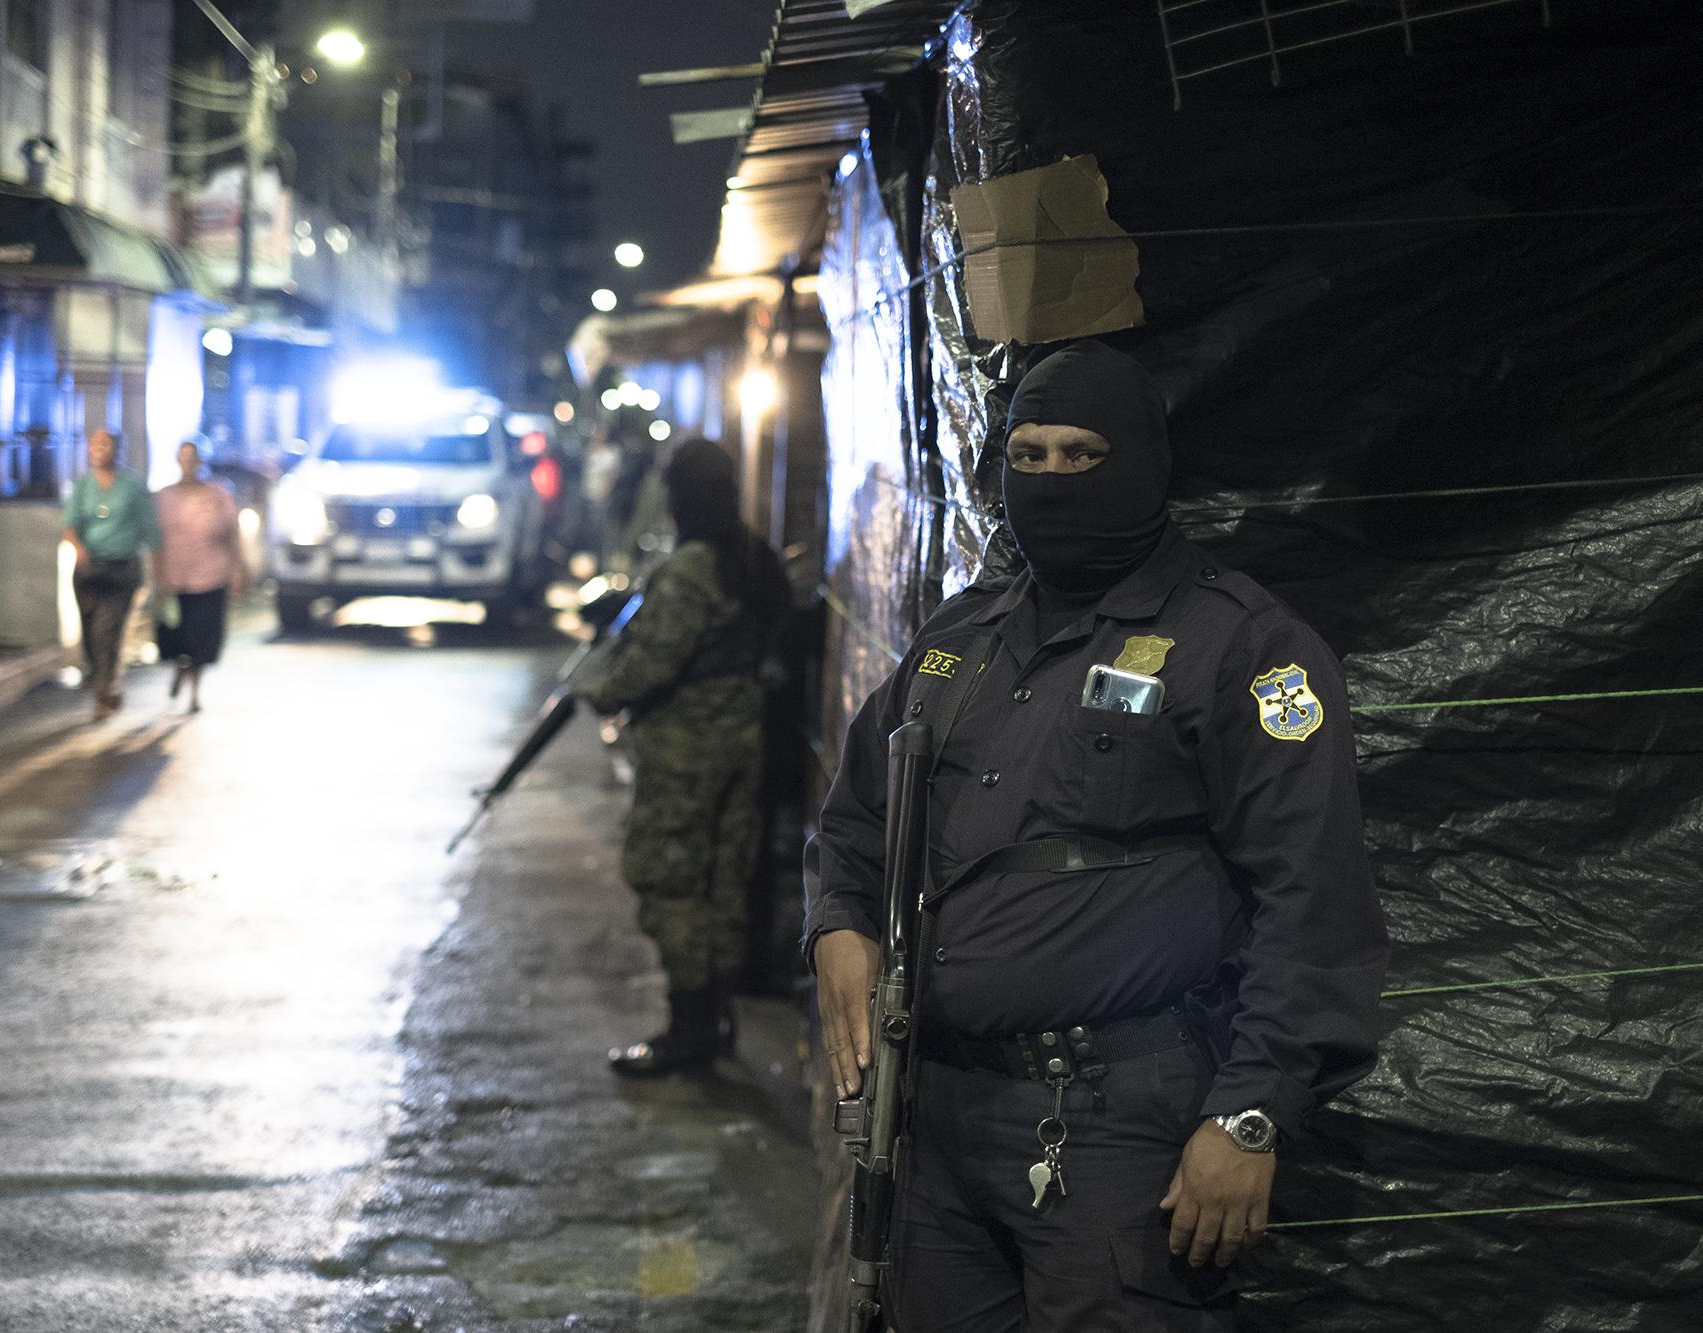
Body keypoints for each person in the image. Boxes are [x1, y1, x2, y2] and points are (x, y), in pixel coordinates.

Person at [804, 342, 1389, 1329]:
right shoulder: (959, 642)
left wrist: (1246, 1114)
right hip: (935, 1116)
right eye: (1024, 454)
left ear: (1144, 465)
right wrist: (836, 923)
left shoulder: (1239, 647)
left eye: (1079, 453)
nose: (1049, 477)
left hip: (1117, 1126)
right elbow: (858, 818)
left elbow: (1311, 896)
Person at [578, 437, 791, 1076]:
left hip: (686, 748)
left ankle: (687, 1029)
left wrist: (602, 692)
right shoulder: (752, 557)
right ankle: (715, 1018)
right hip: (743, 739)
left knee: (670, 876)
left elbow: (653, 660)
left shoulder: (690, 567)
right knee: (723, 878)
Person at [62, 430, 158, 721]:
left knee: (108, 630)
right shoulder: (82, 486)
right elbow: (69, 524)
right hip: (89, 570)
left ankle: (105, 690)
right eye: (95, 444)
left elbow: (149, 529)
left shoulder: (132, 486)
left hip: (121, 569)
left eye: (106, 444)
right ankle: (102, 678)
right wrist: (78, 548)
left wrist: (161, 570)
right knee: (91, 632)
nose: (100, 449)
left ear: (117, 449)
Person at [153, 440, 244, 713]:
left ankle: (194, 692)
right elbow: (155, 540)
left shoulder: (219, 493)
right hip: (174, 576)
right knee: (175, 636)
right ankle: (180, 671)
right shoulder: (164, 496)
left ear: (201, 462)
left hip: (210, 576)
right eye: (184, 458)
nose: (189, 463)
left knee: (202, 639)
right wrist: (157, 574)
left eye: (193, 458)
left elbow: (232, 533)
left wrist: (238, 568)